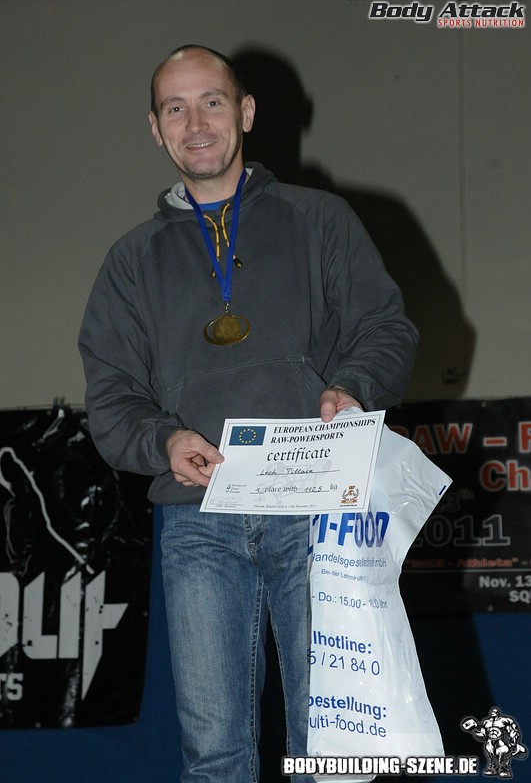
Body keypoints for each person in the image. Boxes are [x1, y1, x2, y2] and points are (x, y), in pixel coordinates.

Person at [79, 44, 418, 783]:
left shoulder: (319, 220)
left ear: (247, 112)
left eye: (212, 102)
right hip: (198, 519)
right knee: (213, 755)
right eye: (175, 108)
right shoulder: (130, 262)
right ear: (155, 128)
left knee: (332, 746)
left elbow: (385, 328)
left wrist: (352, 387)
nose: (196, 123)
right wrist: (163, 440)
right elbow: (110, 394)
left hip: (317, 507)